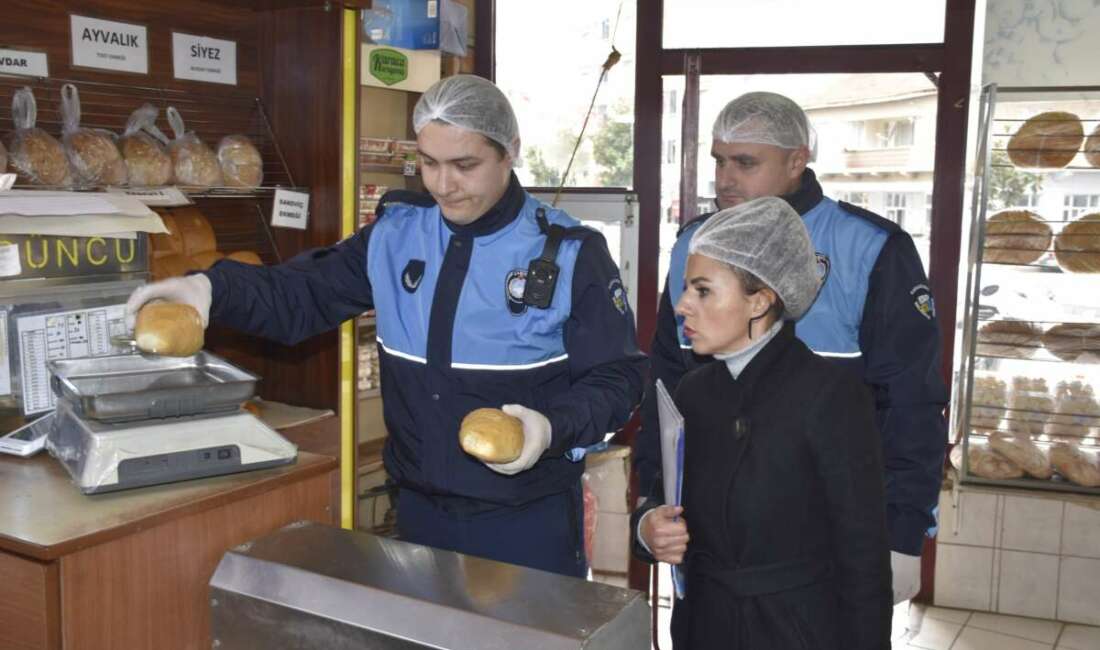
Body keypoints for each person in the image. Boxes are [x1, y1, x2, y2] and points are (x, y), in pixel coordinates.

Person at [126, 74, 646, 578]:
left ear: (510, 152)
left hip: (527, 521)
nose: (443, 185)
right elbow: (299, 294)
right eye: (429, 163)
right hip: (419, 515)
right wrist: (210, 289)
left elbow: (619, 378)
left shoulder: (570, 252)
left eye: (465, 165)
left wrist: (548, 428)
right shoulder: (395, 235)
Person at [633, 91, 947, 602]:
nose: (725, 179)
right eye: (718, 161)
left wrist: (904, 530)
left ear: (797, 160)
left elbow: (911, 401)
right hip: (712, 529)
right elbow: (665, 392)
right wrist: (652, 502)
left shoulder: (868, 248)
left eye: (745, 163)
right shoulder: (694, 246)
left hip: (830, 528)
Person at [633, 196, 892, 649]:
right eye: (686, 289)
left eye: (703, 290)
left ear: (759, 301)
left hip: (794, 630)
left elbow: (862, 556)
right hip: (703, 626)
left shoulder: (830, 396)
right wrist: (647, 526)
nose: (682, 305)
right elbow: (664, 495)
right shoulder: (693, 392)